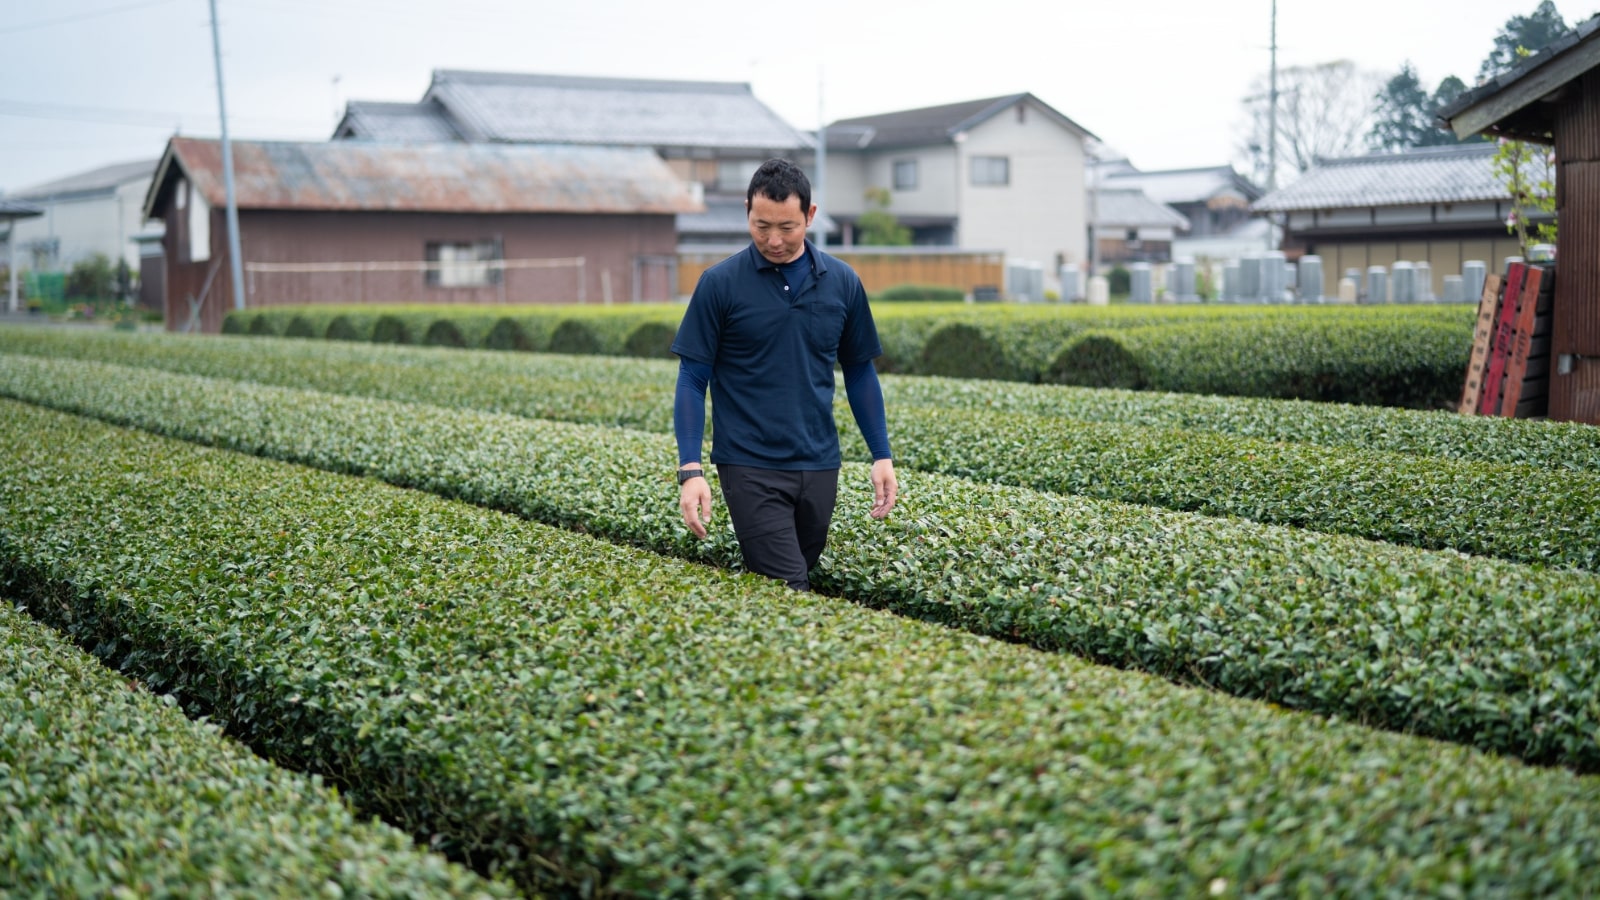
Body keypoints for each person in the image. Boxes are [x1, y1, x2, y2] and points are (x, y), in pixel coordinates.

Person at [671, 158, 897, 591]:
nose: (773, 240)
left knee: (790, 579)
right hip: (748, 464)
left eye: (787, 227)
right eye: (761, 226)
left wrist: (881, 455)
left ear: (810, 216)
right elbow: (692, 378)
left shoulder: (843, 282)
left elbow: (860, 372)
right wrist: (690, 469)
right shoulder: (719, 284)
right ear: (747, 213)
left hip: (819, 463)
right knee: (791, 586)